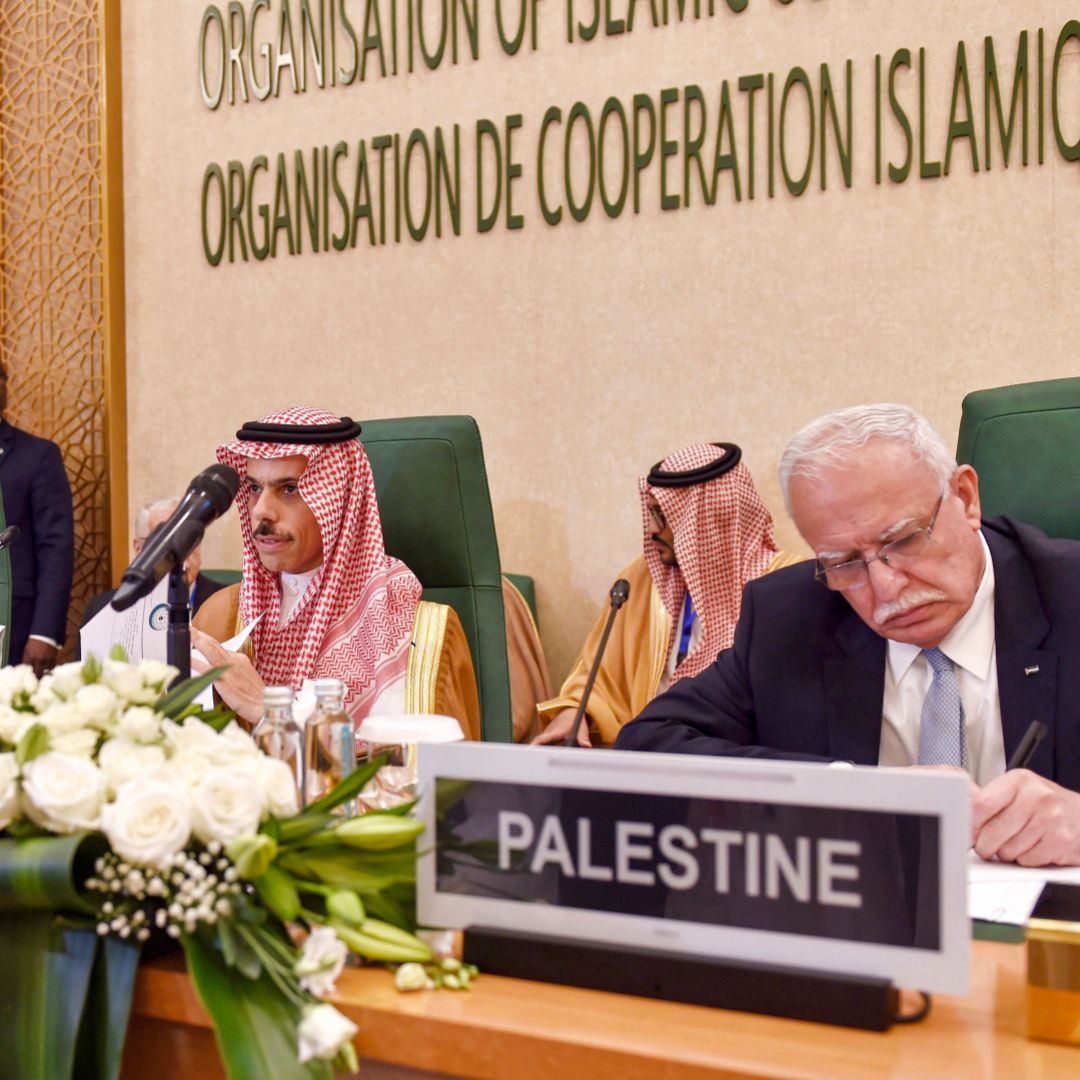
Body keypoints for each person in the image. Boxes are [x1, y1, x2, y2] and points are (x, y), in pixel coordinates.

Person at [616, 404, 1080, 867]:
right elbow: (647, 747)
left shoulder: (1069, 593)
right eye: (843, 563)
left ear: (966, 497)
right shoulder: (790, 616)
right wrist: (851, 791)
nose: (886, 588)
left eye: (903, 540)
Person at [191, 406, 480, 738]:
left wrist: (267, 710)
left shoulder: (421, 635)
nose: (261, 511)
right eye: (254, 488)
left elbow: (435, 781)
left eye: (289, 489)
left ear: (338, 500)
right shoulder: (219, 617)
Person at [534, 442, 801, 746]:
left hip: (736, 762)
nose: (650, 530)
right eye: (650, 513)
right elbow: (599, 678)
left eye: (664, 515)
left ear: (709, 516)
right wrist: (574, 712)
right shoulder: (639, 580)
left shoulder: (783, 585)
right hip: (646, 754)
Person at [0, 361, 74, 674]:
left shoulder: (37, 456)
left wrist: (45, 631)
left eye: (1, 376)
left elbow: (56, 547)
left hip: (15, 625)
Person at [80, 496, 227, 630]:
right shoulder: (102, 610)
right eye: (166, 542)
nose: (181, 553)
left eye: (188, 540)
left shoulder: (231, 603)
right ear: (139, 548)